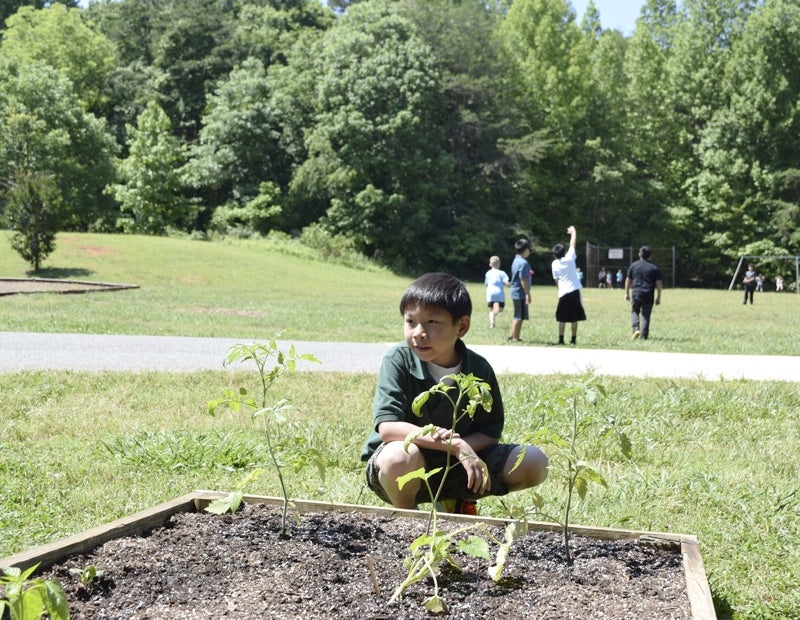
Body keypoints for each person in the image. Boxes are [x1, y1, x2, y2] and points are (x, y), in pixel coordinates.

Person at [361, 272, 549, 513]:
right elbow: (388, 427)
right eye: (410, 322)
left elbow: (489, 432)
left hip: (458, 465)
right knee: (400, 456)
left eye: (432, 322)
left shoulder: (478, 368)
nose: (418, 332)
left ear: (461, 326)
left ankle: (459, 499)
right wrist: (455, 445)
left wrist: (463, 451)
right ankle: (408, 519)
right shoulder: (399, 359)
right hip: (400, 467)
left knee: (534, 461)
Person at [551, 226, 586, 345]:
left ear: (554, 255)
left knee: (562, 317)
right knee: (574, 317)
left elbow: (556, 279)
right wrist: (573, 232)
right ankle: (573, 340)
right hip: (574, 290)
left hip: (563, 292)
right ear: (564, 252)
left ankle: (561, 339)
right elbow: (572, 244)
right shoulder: (570, 258)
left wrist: (559, 289)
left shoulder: (554, 264)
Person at [625, 246, 663, 340]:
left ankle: (636, 329)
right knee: (646, 314)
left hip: (637, 293)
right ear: (650, 256)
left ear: (639, 254)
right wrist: (658, 297)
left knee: (635, 311)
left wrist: (626, 293)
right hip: (649, 293)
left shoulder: (633, 265)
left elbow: (628, 280)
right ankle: (644, 335)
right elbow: (659, 283)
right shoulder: (654, 268)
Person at [508, 239, 532, 342]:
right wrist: (527, 294)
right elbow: (523, 279)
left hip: (514, 291)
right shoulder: (523, 263)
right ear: (525, 250)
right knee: (519, 316)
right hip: (520, 292)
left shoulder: (516, 259)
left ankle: (512, 334)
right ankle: (515, 338)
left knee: (517, 314)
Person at [484, 256, 509, 328]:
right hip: (499, 294)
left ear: (490, 264)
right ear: (499, 264)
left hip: (490, 293)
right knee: (499, 309)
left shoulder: (488, 273)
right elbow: (506, 283)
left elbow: (486, 284)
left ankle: (492, 322)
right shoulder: (502, 273)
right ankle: (493, 316)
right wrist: (511, 285)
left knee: (492, 308)